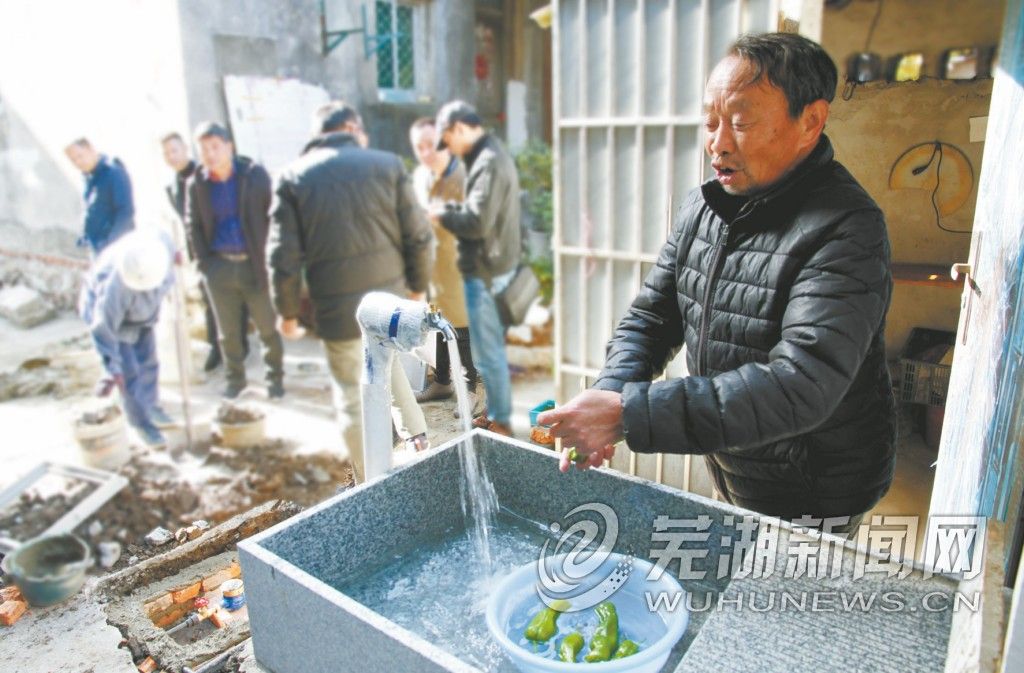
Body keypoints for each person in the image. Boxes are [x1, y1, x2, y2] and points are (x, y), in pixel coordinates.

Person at [539, 33, 896, 533]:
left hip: (816, 480)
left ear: (810, 121)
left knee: (784, 598)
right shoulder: (701, 207)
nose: (718, 143)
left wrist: (630, 415)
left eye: (742, 123)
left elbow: (801, 383)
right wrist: (611, 395)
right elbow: (651, 319)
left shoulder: (846, 227)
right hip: (734, 456)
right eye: (710, 122)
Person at [268, 102, 434, 483]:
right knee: (387, 364)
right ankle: (418, 439)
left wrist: (288, 311)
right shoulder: (388, 164)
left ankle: (371, 482)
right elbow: (418, 235)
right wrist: (417, 286)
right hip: (388, 299)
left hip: (337, 308)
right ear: (351, 128)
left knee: (352, 393)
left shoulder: (293, 177)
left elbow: (283, 255)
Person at [429, 101, 521, 437]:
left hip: (488, 270)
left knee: (488, 352)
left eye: (447, 140)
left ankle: (501, 423)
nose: (448, 148)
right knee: (488, 351)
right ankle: (497, 413)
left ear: (459, 129)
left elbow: (478, 221)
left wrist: (442, 214)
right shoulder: (489, 157)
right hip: (491, 265)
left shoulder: (488, 161)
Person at [185, 122, 284, 399]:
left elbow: (275, 216)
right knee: (227, 333)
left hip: (255, 265)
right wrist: (204, 264)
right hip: (219, 267)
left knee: (267, 328)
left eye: (215, 147)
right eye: (203, 149)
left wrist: (273, 259)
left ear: (229, 146)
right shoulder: (198, 184)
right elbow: (192, 225)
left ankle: (274, 379)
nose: (210, 154)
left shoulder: (254, 176)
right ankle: (235, 380)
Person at [79, 229, 176, 446]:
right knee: (129, 373)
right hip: (119, 322)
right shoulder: (116, 286)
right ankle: (141, 423)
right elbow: (103, 328)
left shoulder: (159, 247)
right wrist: (112, 369)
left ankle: (151, 406)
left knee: (149, 362)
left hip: (144, 316)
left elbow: (169, 245)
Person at [161, 131, 246, 373]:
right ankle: (217, 348)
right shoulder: (173, 185)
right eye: (166, 153)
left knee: (234, 301)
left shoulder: (205, 175)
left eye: (174, 150)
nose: (171, 156)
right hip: (201, 254)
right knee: (210, 302)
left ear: (186, 149)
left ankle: (238, 346)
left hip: (223, 248)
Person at [408, 117, 478, 408]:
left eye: (431, 145)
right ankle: (441, 382)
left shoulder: (463, 176)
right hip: (432, 265)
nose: (426, 153)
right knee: (436, 322)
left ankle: (469, 388)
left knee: (460, 327)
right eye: (419, 147)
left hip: (461, 264)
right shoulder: (420, 176)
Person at [65, 138, 134, 254]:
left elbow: (125, 212)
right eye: (73, 160)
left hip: (116, 251)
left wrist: (110, 244)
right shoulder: (89, 179)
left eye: (80, 156)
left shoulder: (113, 172)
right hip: (98, 250)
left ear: (90, 149)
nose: (78, 163)